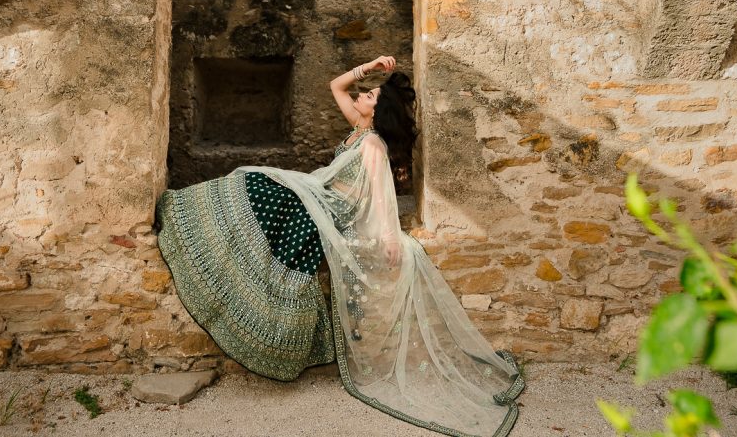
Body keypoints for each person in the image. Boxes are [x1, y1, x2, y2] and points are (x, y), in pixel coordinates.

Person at [156, 56, 525, 437]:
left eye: (370, 95)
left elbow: (381, 196)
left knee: (261, 189)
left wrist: (387, 238)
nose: (362, 94)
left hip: (327, 210)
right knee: (256, 185)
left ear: (378, 111)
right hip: (317, 196)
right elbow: (336, 85)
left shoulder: (373, 146)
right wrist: (368, 67)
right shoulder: (357, 128)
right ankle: (194, 231)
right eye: (366, 92)